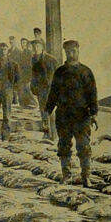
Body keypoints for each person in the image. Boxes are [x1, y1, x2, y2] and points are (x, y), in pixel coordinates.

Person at [45, 39, 99, 186]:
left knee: (84, 146)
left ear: (78, 51)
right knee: (63, 145)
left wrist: (94, 114)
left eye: (73, 51)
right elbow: (53, 93)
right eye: (68, 51)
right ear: (65, 52)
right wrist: (47, 110)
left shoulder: (86, 72)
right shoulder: (60, 72)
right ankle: (66, 175)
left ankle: (85, 176)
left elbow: (92, 94)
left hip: (82, 116)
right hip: (63, 115)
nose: (71, 54)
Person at [30, 38, 58, 139]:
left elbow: (57, 74)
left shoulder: (50, 59)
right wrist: (33, 87)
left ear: (42, 47)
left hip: (50, 89)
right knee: (43, 112)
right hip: (41, 90)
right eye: (34, 46)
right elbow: (33, 75)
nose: (35, 48)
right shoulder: (34, 59)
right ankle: (46, 133)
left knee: (51, 111)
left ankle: (54, 134)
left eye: (37, 46)